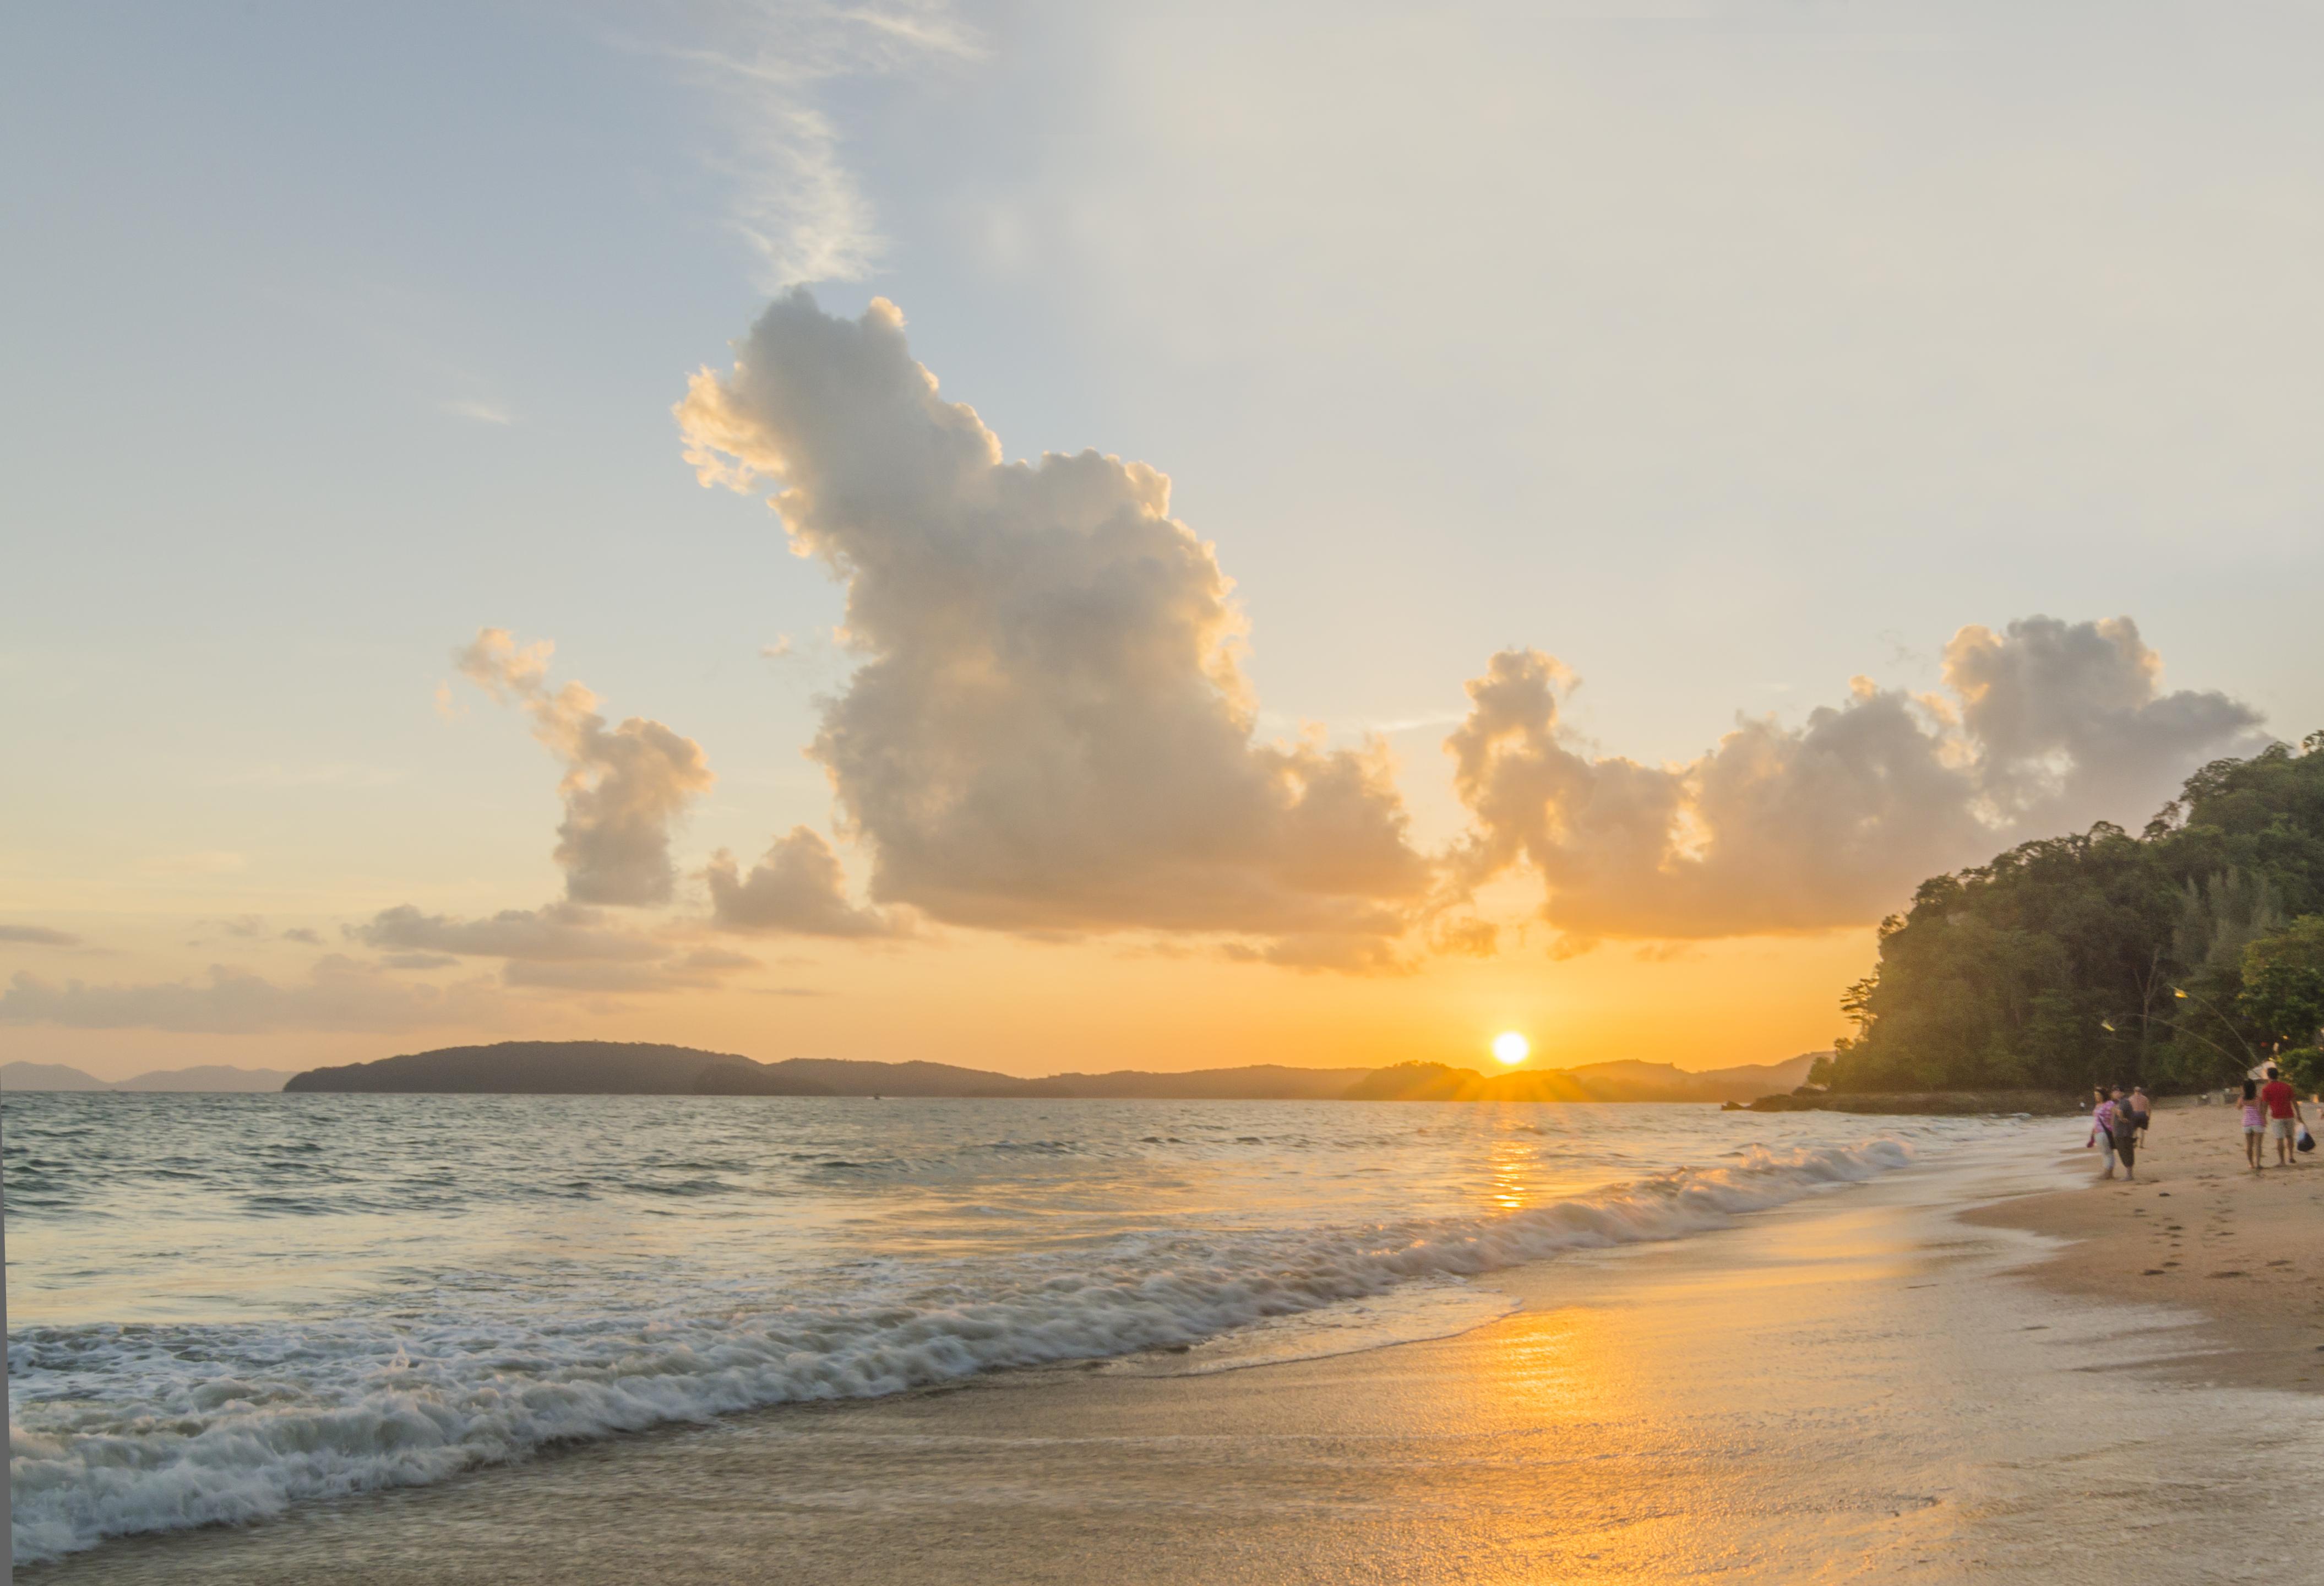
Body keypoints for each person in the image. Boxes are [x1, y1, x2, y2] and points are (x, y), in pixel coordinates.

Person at [2260, 1066, 2305, 1167]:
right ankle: (2291, 1157)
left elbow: (2265, 1105)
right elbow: (2294, 1102)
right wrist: (2299, 1115)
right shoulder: (2287, 1086)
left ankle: (2282, 1161)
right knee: (2290, 1137)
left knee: (2279, 1139)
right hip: (2289, 1115)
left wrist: (2263, 1117)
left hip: (2277, 1117)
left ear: (2268, 1076)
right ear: (2277, 1075)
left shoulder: (2266, 1089)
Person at [2110, 1087, 2142, 1182]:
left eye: (2116, 1092)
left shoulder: (2124, 1102)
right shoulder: (2119, 1103)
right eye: (2113, 1092)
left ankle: (2129, 1175)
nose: (2114, 1094)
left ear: (2121, 1093)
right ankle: (2129, 1174)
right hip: (2120, 1132)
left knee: (2126, 1153)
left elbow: (2120, 1112)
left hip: (2124, 1133)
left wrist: (2119, 1115)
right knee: (2124, 1153)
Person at [2091, 1088, 2120, 1178]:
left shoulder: (2110, 1104)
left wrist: (2114, 1130)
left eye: (2098, 1095)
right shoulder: (2098, 1105)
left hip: (2105, 1131)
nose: (2096, 1097)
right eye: (2095, 1095)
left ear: (2103, 1095)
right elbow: (2096, 1120)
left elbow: (2115, 1116)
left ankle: (2108, 1172)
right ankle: (2108, 1173)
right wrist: (2093, 1131)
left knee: (2107, 1153)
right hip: (2098, 1131)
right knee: (2105, 1153)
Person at [2240, 1079, 2267, 1171]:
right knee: (2258, 1145)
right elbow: (2261, 1111)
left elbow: (2238, 1107)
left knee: (2249, 1145)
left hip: (2247, 1123)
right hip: (2258, 1123)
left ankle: (2251, 1164)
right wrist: (2264, 1119)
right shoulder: (2257, 1099)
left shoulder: (2242, 1099)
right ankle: (2258, 1164)